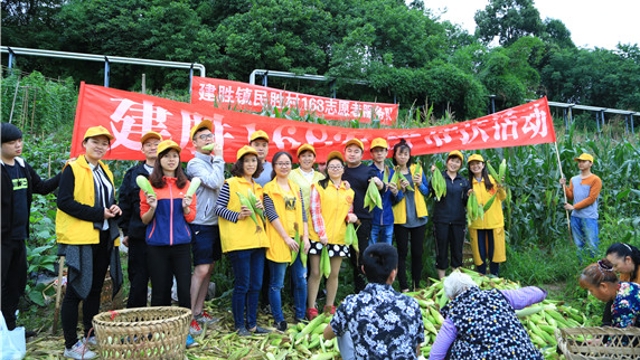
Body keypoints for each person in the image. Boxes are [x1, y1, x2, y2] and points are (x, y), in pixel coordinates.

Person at [56, 126, 123, 359]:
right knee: (76, 289)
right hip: (81, 238)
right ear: (85, 143)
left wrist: (114, 209)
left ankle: (89, 334)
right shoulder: (72, 168)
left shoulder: (105, 171)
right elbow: (64, 202)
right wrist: (98, 213)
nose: (100, 146)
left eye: (104, 143)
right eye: (95, 141)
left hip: (102, 237)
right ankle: (70, 344)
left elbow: (107, 201)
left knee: (94, 288)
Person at [1, 122, 61, 333]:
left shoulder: (22, 165)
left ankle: (9, 328)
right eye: (11, 142)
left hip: (18, 236)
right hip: (2, 239)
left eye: (19, 141)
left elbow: (42, 188)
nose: (18, 145)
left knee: (15, 283)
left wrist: (64, 173)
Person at [140, 139, 198, 348]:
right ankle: (159, 331)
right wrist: (153, 207)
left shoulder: (187, 185)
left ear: (179, 159)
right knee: (160, 290)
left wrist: (185, 208)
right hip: (157, 245)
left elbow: (191, 217)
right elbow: (144, 219)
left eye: (175, 156)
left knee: (184, 289)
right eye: (166, 156)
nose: (171, 159)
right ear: (160, 160)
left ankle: (184, 332)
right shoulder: (149, 184)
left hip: (182, 245)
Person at [324, 243, 424, 360]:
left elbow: (327, 335)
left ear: (363, 270)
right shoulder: (411, 304)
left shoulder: (351, 304)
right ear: (393, 274)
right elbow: (417, 350)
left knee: (341, 328)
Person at [215, 145, 271, 336]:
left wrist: (260, 210)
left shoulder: (258, 188)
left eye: (253, 160)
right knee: (242, 285)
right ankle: (239, 325)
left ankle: (252, 324)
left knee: (256, 285)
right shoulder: (230, 183)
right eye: (246, 161)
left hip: (258, 241)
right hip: (239, 242)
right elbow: (219, 208)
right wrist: (237, 215)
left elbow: (264, 216)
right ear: (239, 164)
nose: (250, 164)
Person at [429, 270, 547, 360]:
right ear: (474, 285)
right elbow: (532, 294)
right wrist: (542, 292)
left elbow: (436, 354)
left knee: (451, 347)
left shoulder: (455, 314)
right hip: (527, 356)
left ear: (450, 297)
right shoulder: (498, 295)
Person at [186, 120, 225, 336]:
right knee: (200, 269)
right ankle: (189, 316)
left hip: (215, 222)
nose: (209, 140)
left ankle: (199, 311)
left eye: (211, 136)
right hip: (200, 222)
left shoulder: (213, 161)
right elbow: (214, 181)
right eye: (204, 137)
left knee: (209, 268)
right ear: (195, 143)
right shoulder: (195, 164)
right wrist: (219, 158)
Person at [307, 151, 357, 319]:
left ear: (343, 169)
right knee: (316, 272)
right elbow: (315, 211)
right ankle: (311, 306)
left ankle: (329, 305)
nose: (335, 169)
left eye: (338, 166)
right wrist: (322, 233)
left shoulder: (349, 191)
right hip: (318, 237)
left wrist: (352, 217)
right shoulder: (318, 186)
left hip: (339, 238)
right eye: (331, 166)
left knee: (334, 274)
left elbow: (348, 211)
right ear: (327, 169)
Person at [263, 151, 310, 331]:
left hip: (297, 240)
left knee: (300, 279)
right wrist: (285, 237)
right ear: (274, 166)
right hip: (279, 239)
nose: (284, 166)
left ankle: (300, 315)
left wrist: (305, 237)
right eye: (280, 163)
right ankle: (279, 319)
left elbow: (303, 213)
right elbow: (271, 214)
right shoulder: (269, 188)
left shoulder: (295, 187)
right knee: (277, 283)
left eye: (287, 163)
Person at [118, 131, 162, 309]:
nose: (152, 147)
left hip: (163, 235)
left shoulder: (171, 171)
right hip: (139, 234)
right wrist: (126, 232)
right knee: (138, 280)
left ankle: (160, 322)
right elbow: (125, 203)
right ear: (142, 149)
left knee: (161, 281)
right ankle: (135, 324)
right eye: (148, 145)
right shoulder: (133, 174)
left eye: (156, 144)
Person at [342, 138, 383, 293]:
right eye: (349, 151)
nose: (352, 154)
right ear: (344, 153)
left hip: (361, 219)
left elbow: (380, 187)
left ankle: (361, 291)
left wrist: (379, 183)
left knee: (359, 257)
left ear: (362, 154)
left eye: (356, 151)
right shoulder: (340, 170)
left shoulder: (368, 171)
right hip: (340, 219)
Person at [391, 139, 429, 292]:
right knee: (402, 253)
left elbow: (427, 192)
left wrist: (420, 184)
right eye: (400, 154)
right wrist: (402, 191)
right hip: (401, 219)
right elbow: (392, 199)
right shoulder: (392, 172)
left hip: (419, 218)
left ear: (409, 156)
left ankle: (416, 284)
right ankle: (404, 286)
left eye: (406, 154)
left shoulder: (417, 169)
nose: (403, 157)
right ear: (394, 156)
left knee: (417, 252)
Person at [430, 150, 471, 279]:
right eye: (452, 160)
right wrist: (434, 174)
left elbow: (465, 202)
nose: (454, 164)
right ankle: (442, 280)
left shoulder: (463, 181)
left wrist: (469, 196)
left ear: (460, 165)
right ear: (447, 161)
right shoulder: (440, 177)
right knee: (441, 250)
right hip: (441, 219)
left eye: (457, 162)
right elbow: (433, 193)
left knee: (457, 250)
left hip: (458, 221)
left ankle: (455, 279)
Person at [466, 154, 507, 276]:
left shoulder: (493, 180)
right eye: (472, 164)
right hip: (477, 224)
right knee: (480, 254)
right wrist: (467, 196)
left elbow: (502, 197)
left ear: (483, 165)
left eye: (478, 163)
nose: (475, 166)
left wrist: (501, 187)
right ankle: (482, 277)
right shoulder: (468, 184)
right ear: (469, 167)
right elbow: (464, 202)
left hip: (494, 222)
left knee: (494, 254)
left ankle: (494, 277)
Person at [560, 153, 602, 257]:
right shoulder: (574, 179)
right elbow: (571, 196)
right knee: (579, 244)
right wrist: (564, 186)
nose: (581, 164)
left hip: (589, 217)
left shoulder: (595, 180)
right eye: (579, 161)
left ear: (591, 163)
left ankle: (594, 268)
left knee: (592, 244)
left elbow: (591, 199)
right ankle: (581, 266)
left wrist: (574, 207)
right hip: (576, 217)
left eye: (584, 161)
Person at [249, 130, 273, 314]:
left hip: (270, 222)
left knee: (266, 263)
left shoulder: (273, 168)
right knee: (249, 263)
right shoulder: (244, 167)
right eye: (257, 144)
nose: (260, 148)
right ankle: (249, 302)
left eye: (263, 145)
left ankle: (265, 301)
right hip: (248, 222)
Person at [579, 259, 640, 328]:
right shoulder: (627, 286)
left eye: (591, 290)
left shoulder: (622, 305)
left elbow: (621, 337)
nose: (591, 294)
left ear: (603, 286)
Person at [369, 137, 398, 245]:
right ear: (371, 154)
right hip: (373, 220)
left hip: (388, 219)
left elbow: (398, 197)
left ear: (386, 153)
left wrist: (395, 192)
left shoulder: (392, 173)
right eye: (376, 151)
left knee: (387, 252)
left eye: (382, 151)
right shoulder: (368, 172)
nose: (379, 153)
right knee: (371, 252)